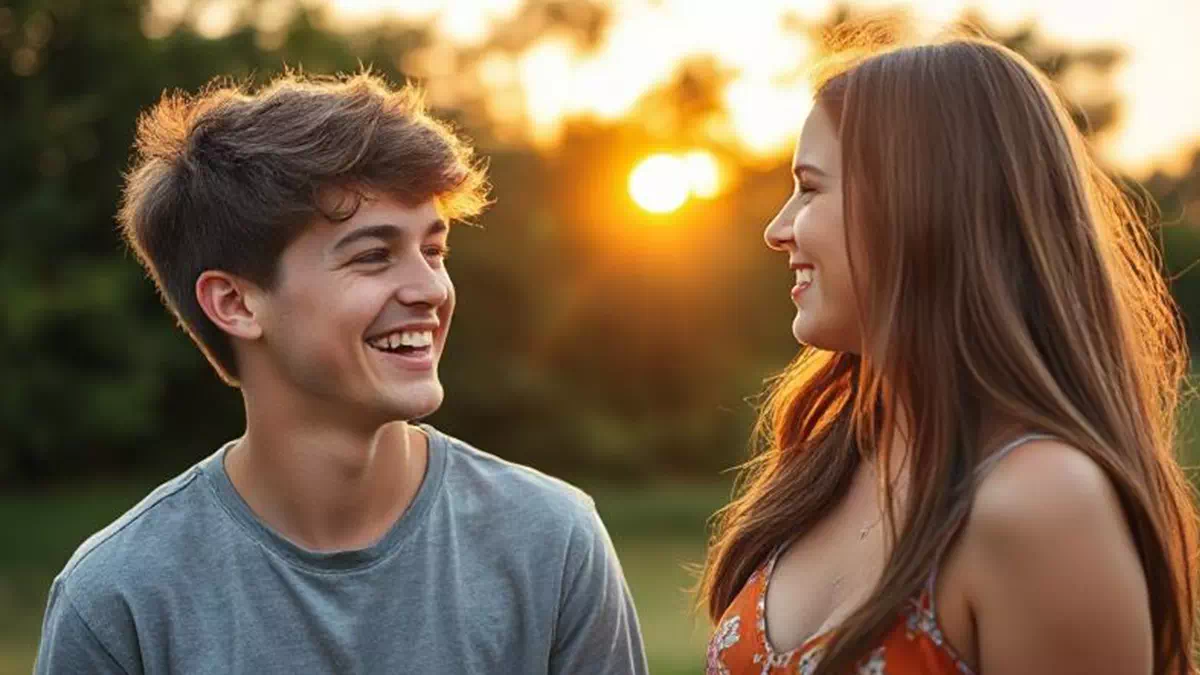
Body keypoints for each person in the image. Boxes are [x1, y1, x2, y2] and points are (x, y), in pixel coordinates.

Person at [35, 70, 648, 675]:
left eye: (434, 250)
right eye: (374, 255)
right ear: (236, 303)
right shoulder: (119, 601)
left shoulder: (552, 543)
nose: (431, 289)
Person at [699, 36, 1198, 675]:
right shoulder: (831, 464)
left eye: (810, 188)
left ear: (919, 204)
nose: (778, 229)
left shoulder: (1043, 505)